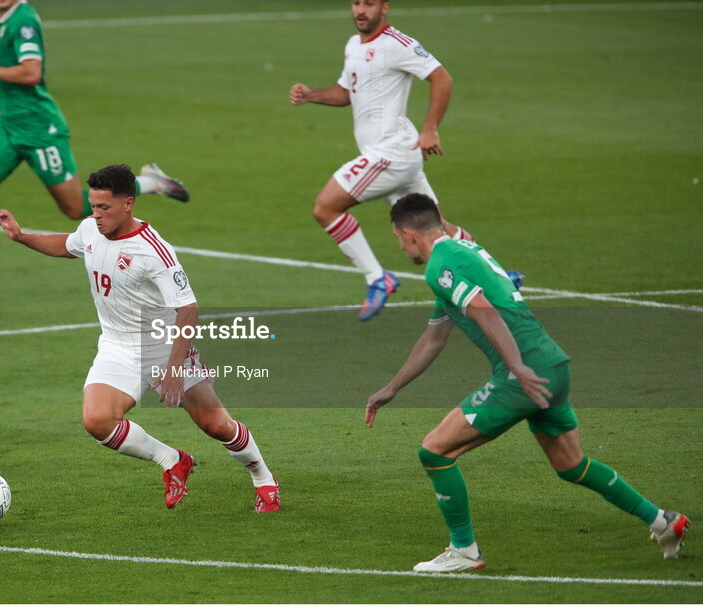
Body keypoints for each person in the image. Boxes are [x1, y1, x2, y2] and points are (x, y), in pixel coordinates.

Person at [364, 193, 689, 571]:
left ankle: (464, 552)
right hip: (553, 364)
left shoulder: (440, 265)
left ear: (409, 234)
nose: (400, 247)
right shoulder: (465, 251)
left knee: (435, 451)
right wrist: (393, 388)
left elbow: (484, 311)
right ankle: (663, 521)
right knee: (572, 465)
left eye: (396, 239)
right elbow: (434, 338)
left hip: (523, 374)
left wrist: (516, 366)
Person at [0, 164, 280, 512]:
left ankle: (263, 478)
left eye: (104, 208)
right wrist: (21, 236)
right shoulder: (90, 230)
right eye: (93, 206)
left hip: (164, 348)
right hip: (117, 347)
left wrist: (174, 369)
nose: (96, 216)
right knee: (96, 421)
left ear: (128, 203)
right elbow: (66, 245)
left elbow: (188, 308)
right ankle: (172, 460)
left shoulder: (153, 250)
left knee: (216, 425)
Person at [0, 0, 190, 301]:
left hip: (40, 130)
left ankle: (151, 182)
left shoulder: (23, 20)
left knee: (76, 209)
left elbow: (30, 73)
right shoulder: (3, 15)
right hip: (8, 127)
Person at [290, 0, 472, 321]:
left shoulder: (397, 44)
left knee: (325, 207)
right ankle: (491, 272)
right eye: (356, 3)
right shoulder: (353, 45)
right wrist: (311, 95)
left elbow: (442, 78)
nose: (361, 10)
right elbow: (348, 91)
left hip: (392, 153)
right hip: (394, 157)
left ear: (384, 7)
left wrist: (431, 129)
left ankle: (377, 278)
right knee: (434, 232)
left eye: (369, 3)